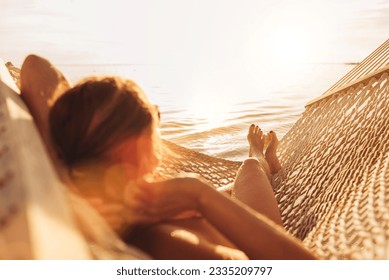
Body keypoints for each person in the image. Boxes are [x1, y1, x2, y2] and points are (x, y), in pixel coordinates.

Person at [21, 54, 316, 260]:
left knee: (235, 181)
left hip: (197, 207)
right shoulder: (161, 239)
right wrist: (198, 193)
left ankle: (261, 157)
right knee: (250, 167)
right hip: (249, 228)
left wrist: (61, 143)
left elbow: (35, 67)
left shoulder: (78, 180)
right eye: (155, 116)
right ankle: (259, 154)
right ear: (138, 147)